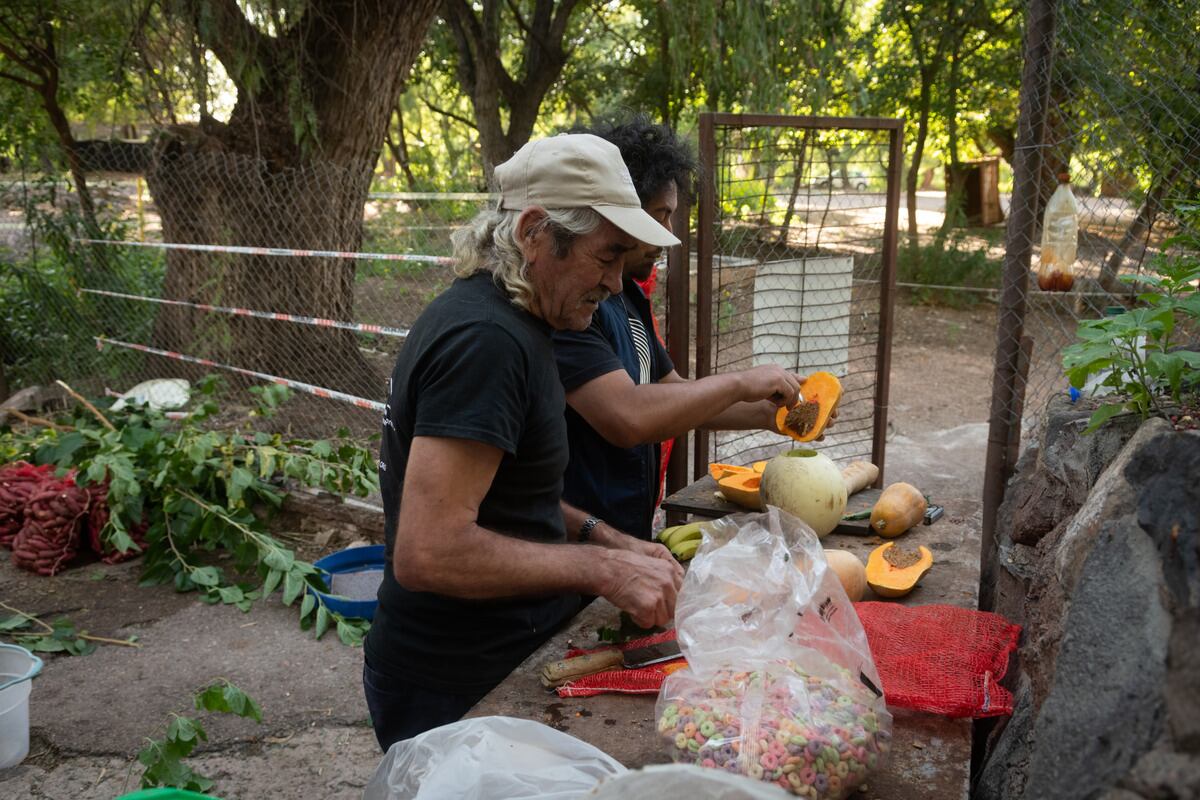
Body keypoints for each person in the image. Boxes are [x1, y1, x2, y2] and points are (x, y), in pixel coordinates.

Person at [362, 134, 687, 752]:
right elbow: (428, 551)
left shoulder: (517, 320)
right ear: (536, 231)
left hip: (491, 659)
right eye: (607, 256)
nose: (618, 284)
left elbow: (498, 494)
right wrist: (602, 570)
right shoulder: (486, 342)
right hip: (455, 684)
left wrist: (604, 537)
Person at [553, 117, 808, 540]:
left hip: (623, 540)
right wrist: (743, 381)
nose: (669, 236)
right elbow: (627, 416)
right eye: (661, 216)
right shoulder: (574, 306)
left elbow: (674, 391)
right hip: (575, 545)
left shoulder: (625, 294)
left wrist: (768, 414)